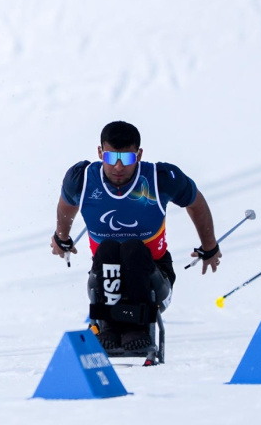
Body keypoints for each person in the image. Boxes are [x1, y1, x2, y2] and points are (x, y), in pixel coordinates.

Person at [50, 121, 221, 351]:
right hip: (104, 275)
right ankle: (109, 326)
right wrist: (62, 238)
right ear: (100, 153)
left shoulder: (160, 178)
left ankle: (137, 327)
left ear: (139, 155)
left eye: (127, 159)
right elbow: (66, 207)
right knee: (108, 248)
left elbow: (196, 203)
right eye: (111, 158)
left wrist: (209, 247)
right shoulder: (81, 180)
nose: (118, 167)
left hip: (155, 278)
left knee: (133, 248)